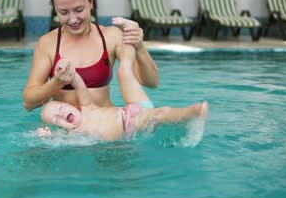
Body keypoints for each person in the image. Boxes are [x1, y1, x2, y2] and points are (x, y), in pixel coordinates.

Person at [22, 0, 159, 112]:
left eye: (79, 9)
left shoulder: (111, 37)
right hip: (66, 130)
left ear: (91, 3)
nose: (73, 19)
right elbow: (29, 103)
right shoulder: (48, 43)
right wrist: (56, 82)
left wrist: (139, 47)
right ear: (56, 10)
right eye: (63, 12)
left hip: (104, 127)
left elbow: (151, 82)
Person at [37, 42, 208, 142]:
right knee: (159, 114)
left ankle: (133, 40)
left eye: (61, 109)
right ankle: (189, 113)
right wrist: (49, 138)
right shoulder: (76, 134)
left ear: (69, 105)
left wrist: (68, 72)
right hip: (130, 127)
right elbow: (64, 143)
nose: (62, 115)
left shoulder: (87, 106)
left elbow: (78, 83)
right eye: (57, 120)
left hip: (133, 109)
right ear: (60, 128)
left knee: (124, 71)